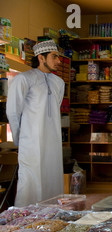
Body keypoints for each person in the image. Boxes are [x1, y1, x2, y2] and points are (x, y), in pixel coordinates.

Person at [6, 39, 65, 207]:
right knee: (30, 182)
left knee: (52, 179)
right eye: (54, 57)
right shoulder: (24, 79)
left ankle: (51, 218)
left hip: (52, 141)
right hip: (30, 142)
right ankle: (24, 220)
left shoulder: (59, 83)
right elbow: (13, 111)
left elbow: (55, 109)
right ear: (41, 57)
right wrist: (20, 140)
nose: (58, 61)